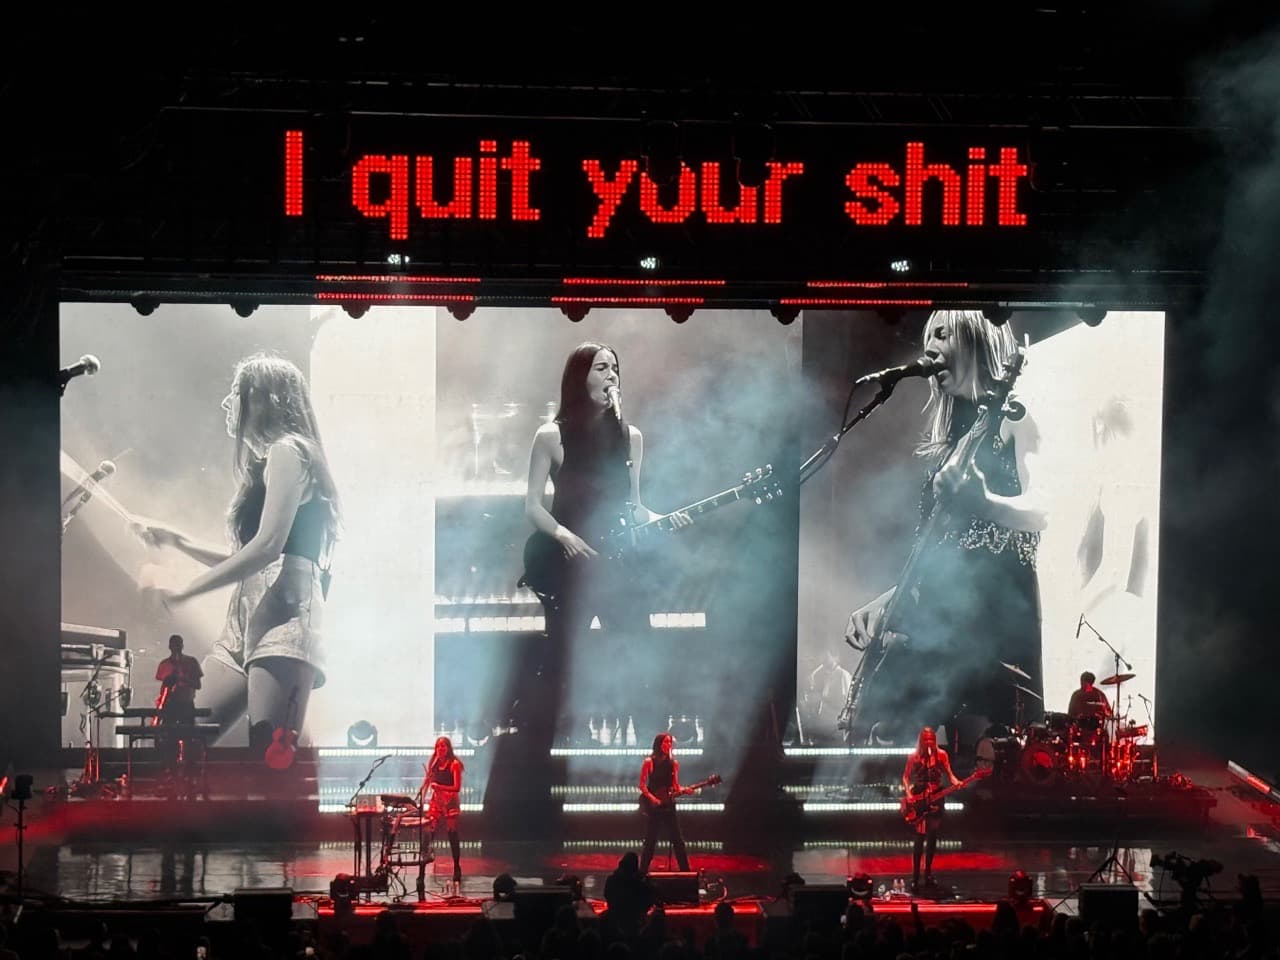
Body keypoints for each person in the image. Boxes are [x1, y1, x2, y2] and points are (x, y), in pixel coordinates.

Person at [844, 310, 1046, 755]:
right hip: (943, 624)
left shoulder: (1014, 417)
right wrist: (886, 601)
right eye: (926, 336)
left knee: (990, 759)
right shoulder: (953, 443)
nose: (929, 346)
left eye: (942, 333)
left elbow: (1044, 509)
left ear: (977, 340)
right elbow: (937, 548)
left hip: (995, 619)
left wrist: (986, 502)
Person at [131, 353, 340, 758]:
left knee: (271, 754)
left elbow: (267, 549)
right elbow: (249, 557)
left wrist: (185, 590)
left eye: (236, 393)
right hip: (246, 621)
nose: (228, 403)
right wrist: (181, 541)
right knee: (181, 736)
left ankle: (270, 822)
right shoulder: (269, 462)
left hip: (284, 617)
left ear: (264, 400)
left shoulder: (288, 452)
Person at [522, 342, 689, 742]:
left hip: (618, 567)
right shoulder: (550, 436)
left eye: (615, 368)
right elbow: (532, 507)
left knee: (637, 652)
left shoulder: (631, 438)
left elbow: (633, 506)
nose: (611, 375)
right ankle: (554, 743)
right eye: (601, 368)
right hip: (569, 566)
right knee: (561, 656)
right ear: (580, 378)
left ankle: (651, 747)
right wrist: (564, 535)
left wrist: (662, 518)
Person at [902, 727, 959, 892]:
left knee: (933, 835)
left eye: (931, 740)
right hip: (920, 796)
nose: (929, 743)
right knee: (920, 836)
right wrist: (908, 794)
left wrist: (956, 782)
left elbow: (950, 774)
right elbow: (905, 777)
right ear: (921, 740)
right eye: (926, 740)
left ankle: (928, 874)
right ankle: (915, 877)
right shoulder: (913, 756)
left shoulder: (941, 755)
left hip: (937, 795)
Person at [638, 732, 691, 874]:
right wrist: (653, 799)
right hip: (654, 806)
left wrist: (685, 790)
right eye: (665, 742)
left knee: (678, 840)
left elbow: (675, 786)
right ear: (658, 744)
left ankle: (686, 873)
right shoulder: (649, 761)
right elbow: (642, 785)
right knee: (650, 840)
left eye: (670, 743)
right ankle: (642, 872)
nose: (668, 745)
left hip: (669, 804)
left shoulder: (674, 763)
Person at [418, 735, 464, 893]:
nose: (441, 749)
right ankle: (422, 870)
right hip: (437, 800)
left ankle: (457, 867)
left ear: (449, 748)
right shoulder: (434, 762)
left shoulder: (454, 764)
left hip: (450, 800)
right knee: (429, 832)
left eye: (443, 746)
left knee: (452, 833)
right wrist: (421, 794)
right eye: (438, 746)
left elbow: (457, 787)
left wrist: (440, 787)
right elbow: (427, 780)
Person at [154, 633, 202, 724]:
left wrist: (182, 681)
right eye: (175, 645)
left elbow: (198, 685)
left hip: (186, 703)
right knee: (170, 732)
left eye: (178, 644)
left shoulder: (191, 662)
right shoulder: (165, 664)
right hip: (170, 704)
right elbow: (162, 688)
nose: (176, 647)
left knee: (186, 733)